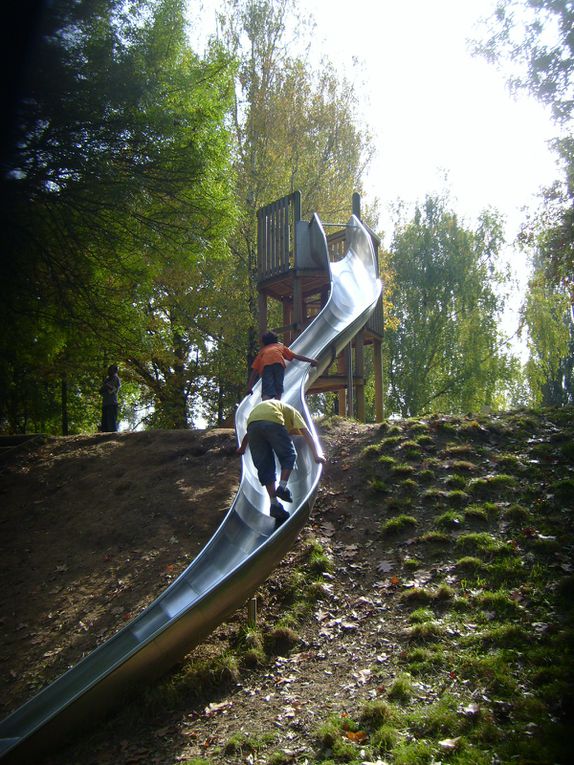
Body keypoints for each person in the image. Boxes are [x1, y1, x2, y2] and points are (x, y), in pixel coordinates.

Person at [236, 398, 326, 522]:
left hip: (252, 424)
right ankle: (282, 487)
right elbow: (307, 434)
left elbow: (250, 432)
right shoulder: (293, 412)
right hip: (273, 420)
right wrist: (316, 455)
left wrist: (242, 448)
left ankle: (274, 504)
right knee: (289, 455)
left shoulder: (271, 407)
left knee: (264, 465)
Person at [246, 331, 319, 400]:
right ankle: (277, 402)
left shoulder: (262, 351)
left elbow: (254, 371)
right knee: (278, 386)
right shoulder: (280, 346)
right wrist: (311, 360)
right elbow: (295, 356)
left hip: (266, 367)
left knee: (267, 388)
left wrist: (249, 387)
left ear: (264, 342)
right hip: (279, 365)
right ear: (276, 339)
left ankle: (266, 401)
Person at [100, 364, 121, 432]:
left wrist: (105, 386)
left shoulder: (116, 378)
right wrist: (105, 387)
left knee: (111, 424)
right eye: (109, 369)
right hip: (105, 403)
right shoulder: (107, 379)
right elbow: (101, 390)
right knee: (105, 425)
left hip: (112, 403)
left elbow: (111, 389)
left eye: (111, 369)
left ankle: (112, 440)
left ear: (115, 371)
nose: (109, 371)